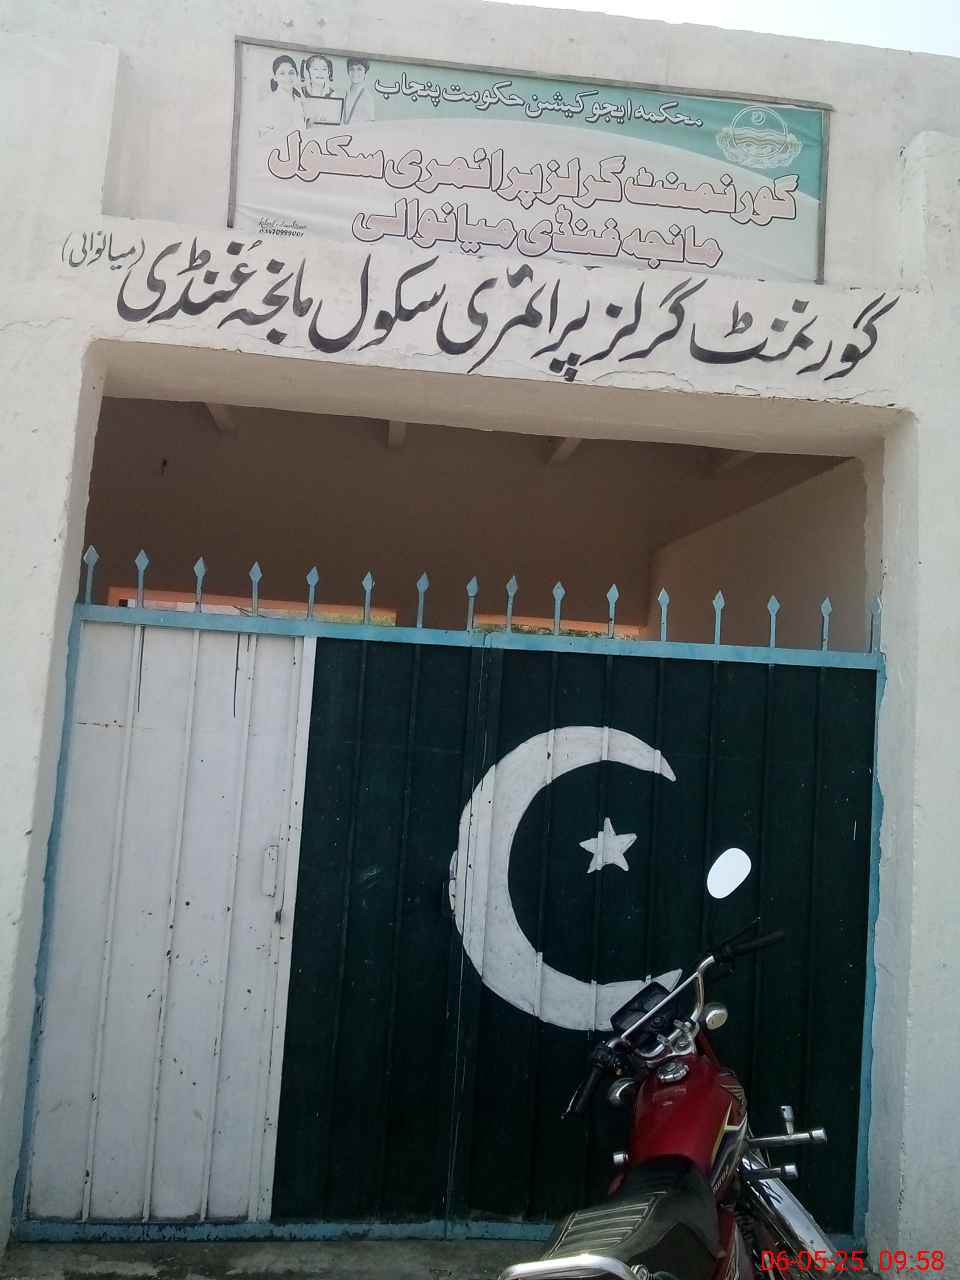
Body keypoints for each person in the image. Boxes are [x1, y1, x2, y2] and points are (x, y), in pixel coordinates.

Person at [259, 54, 305, 136]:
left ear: (297, 74)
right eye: (282, 73)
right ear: (275, 77)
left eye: (291, 73)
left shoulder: (300, 100)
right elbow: (263, 135)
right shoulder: (269, 102)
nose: (288, 77)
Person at [300, 53, 342, 126]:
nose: (320, 73)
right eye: (315, 69)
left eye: (324, 69)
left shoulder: (332, 95)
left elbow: (333, 121)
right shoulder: (300, 92)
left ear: (328, 72)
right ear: (308, 71)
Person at [342, 57, 374, 125]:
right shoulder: (343, 93)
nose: (355, 72)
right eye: (352, 69)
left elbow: (370, 125)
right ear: (348, 72)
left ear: (365, 73)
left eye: (359, 69)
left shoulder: (367, 97)